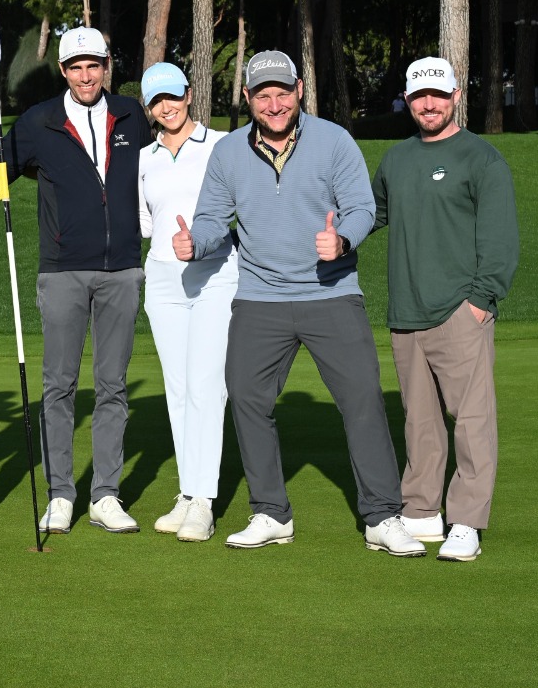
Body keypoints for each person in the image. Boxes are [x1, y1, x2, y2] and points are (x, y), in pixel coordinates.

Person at [174, 50, 425, 556]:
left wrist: (344, 241)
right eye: (263, 95)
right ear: (247, 98)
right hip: (260, 298)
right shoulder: (228, 154)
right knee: (246, 398)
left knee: (362, 402)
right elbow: (210, 219)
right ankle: (270, 512)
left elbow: (360, 208)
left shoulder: (334, 140)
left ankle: (381, 516)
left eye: (282, 93)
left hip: (331, 295)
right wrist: (195, 244)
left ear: (300, 90)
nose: (274, 104)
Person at [0, 27, 150, 535]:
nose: (86, 76)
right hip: (62, 270)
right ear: (63, 71)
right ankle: (61, 494)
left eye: (94, 65)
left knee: (112, 387)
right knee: (58, 386)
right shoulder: (39, 121)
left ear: (107, 65)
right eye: (75, 67)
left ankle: (105, 495)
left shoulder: (133, 114)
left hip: (123, 269)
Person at [372, 57, 519, 562]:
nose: (428, 104)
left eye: (437, 94)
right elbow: (375, 213)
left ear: (457, 95)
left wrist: (479, 304)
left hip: (460, 311)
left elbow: (500, 243)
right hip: (405, 313)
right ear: (408, 101)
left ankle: (467, 520)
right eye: (418, 96)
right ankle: (422, 509)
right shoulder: (395, 159)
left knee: (471, 420)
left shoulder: (481, 159)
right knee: (419, 420)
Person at [135, 61, 238, 543]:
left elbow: (239, 208)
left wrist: (200, 239)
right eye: (156, 101)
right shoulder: (145, 157)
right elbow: (147, 224)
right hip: (163, 282)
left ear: (190, 94)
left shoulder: (222, 145)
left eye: (172, 96)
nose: (166, 106)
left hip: (216, 276)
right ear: (149, 107)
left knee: (206, 386)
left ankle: (204, 500)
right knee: (178, 390)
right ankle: (186, 490)